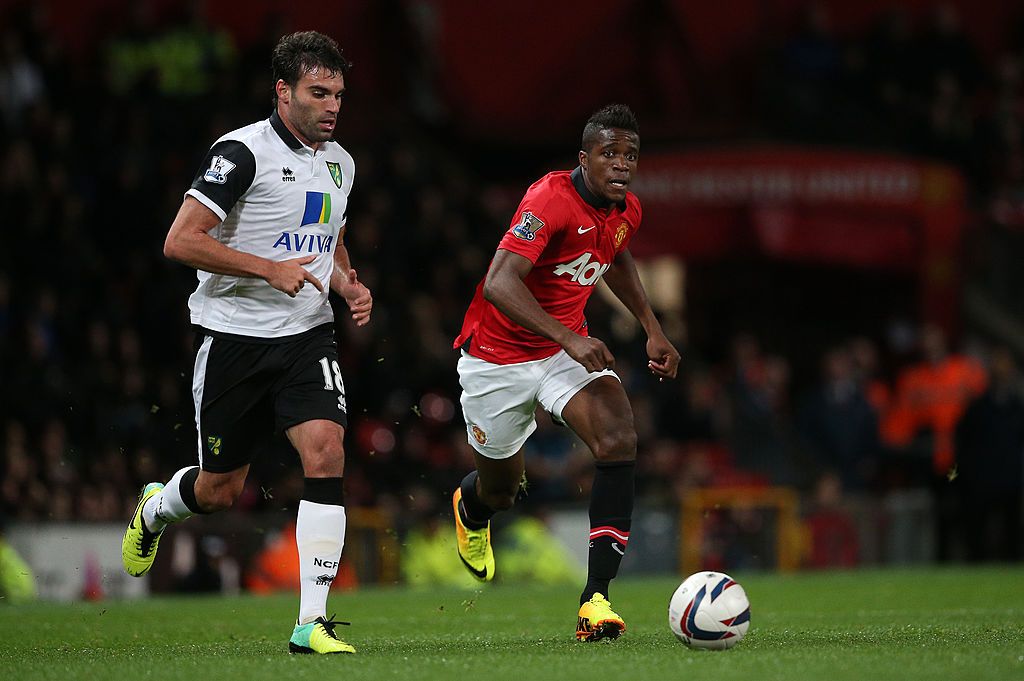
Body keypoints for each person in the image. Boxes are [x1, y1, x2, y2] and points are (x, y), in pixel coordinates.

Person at [120, 31, 372, 655]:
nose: (331, 105)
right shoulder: (241, 153)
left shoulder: (341, 161)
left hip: (307, 335)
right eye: (318, 93)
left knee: (325, 449)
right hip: (234, 339)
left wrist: (345, 282)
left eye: (338, 93)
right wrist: (266, 268)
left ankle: (311, 621)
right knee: (218, 490)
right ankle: (156, 510)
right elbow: (180, 240)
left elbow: (328, 232)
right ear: (283, 92)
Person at [450, 104, 680, 642]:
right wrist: (571, 337)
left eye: (630, 155)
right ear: (584, 158)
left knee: (619, 436)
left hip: (561, 356)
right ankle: (471, 505)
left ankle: (596, 598)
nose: (621, 165)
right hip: (496, 359)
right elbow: (499, 284)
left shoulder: (627, 211)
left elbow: (616, 256)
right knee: (502, 490)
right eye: (609, 154)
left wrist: (652, 325)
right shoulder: (548, 199)